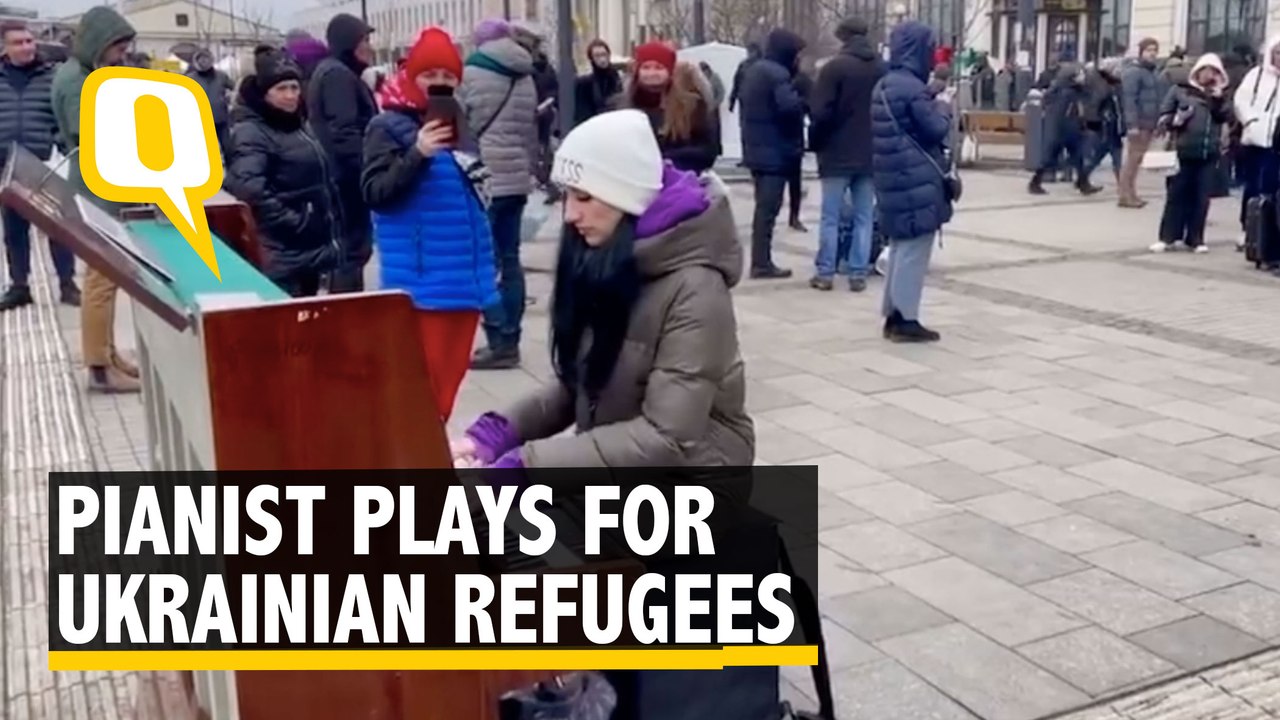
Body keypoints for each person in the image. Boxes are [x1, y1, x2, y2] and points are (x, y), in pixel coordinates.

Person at [450, 109, 753, 470]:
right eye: (568, 196)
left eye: (584, 197)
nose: (569, 215)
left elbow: (667, 437)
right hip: (625, 464)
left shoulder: (696, 288)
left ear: (626, 198)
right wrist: (495, 434)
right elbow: (578, 382)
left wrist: (526, 467)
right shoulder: (608, 254)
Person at [361, 27, 499, 423]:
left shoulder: (462, 125)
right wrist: (417, 153)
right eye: (430, 75)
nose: (439, 84)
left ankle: (428, 458)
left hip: (466, 283)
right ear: (411, 75)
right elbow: (376, 192)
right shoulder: (386, 127)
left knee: (445, 392)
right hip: (423, 284)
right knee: (420, 393)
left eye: (448, 77)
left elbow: (474, 195)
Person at [51, 5, 139, 393]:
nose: (121, 55)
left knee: (109, 275)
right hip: (95, 189)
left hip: (100, 186)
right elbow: (88, 137)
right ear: (99, 43)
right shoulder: (77, 81)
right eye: (117, 48)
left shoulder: (86, 74)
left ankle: (108, 352)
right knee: (102, 278)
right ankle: (100, 367)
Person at [224, 49, 341, 298]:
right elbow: (249, 189)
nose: (290, 96)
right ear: (265, 93)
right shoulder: (252, 131)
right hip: (281, 254)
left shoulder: (297, 125)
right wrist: (296, 221)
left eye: (294, 87)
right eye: (281, 89)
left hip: (307, 250)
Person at [458, 18, 539, 371]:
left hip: (485, 179)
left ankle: (498, 340)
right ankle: (513, 337)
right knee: (510, 259)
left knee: (483, 262)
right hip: (517, 176)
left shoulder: (472, 72)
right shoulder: (525, 73)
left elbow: (465, 124)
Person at [870, 20, 954, 343]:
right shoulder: (911, 87)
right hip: (915, 176)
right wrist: (944, 108)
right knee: (915, 247)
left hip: (893, 175)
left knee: (901, 245)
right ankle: (906, 318)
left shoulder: (886, 84)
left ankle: (893, 313)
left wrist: (928, 95)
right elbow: (934, 128)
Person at [0, 19, 79, 312]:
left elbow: (60, 118)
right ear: (5, 47)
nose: (26, 47)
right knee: (14, 231)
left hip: (44, 165)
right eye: (18, 43)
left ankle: (68, 284)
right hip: (7, 167)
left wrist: (58, 144)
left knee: (59, 227)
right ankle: (19, 287)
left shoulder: (51, 77)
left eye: (29, 41)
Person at [808, 16, 884, 293]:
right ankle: (858, 272)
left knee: (831, 215)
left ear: (842, 37)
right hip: (870, 151)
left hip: (836, 152)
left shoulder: (834, 68)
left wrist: (816, 142)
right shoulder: (880, 68)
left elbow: (820, 112)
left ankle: (826, 272)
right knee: (864, 215)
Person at [308, 13, 378, 293]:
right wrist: (367, 172)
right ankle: (348, 314)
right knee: (351, 251)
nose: (369, 46)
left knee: (350, 251)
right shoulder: (338, 75)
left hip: (339, 176)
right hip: (345, 180)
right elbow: (344, 131)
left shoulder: (335, 71)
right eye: (364, 40)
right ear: (348, 43)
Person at [739, 29, 807, 279]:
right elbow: (789, 108)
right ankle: (761, 262)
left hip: (756, 147)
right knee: (768, 208)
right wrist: (802, 100)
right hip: (774, 151)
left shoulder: (755, 70)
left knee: (763, 207)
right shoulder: (778, 74)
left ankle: (761, 259)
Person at [1152, 54, 1230, 254]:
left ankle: (1195, 238)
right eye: (1205, 70)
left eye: (1213, 71)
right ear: (1197, 71)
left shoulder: (1220, 95)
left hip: (1208, 152)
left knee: (1201, 197)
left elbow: (1224, 117)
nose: (1208, 75)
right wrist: (1176, 119)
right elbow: (1164, 115)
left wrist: (1218, 99)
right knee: (1176, 195)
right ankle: (1168, 237)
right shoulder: (1180, 90)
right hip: (1183, 150)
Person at [617, 42, 721, 175]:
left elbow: (708, 151)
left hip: (679, 182)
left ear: (670, 70)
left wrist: (664, 159)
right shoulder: (621, 106)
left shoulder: (692, 105)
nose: (651, 73)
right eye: (646, 67)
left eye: (658, 67)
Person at [1233, 36, 1280, 252]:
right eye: (1277, 52)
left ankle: (1268, 234)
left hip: (1277, 142)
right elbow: (1241, 100)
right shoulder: (1257, 75)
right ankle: (1248, 230)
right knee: (1253, 186)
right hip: (1256, 139)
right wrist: (1251, 121)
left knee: (1272, 190)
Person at [1029, 59, 1102, 195]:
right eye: (1080, 74)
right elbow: (1059, 114)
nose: (1083, 76)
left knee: (1078, 157)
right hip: (1062, 130)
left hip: (1072, 129)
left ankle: (1083, 183)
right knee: (1049, 158)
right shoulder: (1065, 93)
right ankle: (1035, 182)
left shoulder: (1076, 90)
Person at [1119, 38, 1162, 207]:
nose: (1152, 53)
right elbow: (1129, 100)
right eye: (1149, 50)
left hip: (1149, 122)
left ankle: (1131, 193)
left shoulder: (1151, 72)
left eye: (1155, 50)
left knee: (1136, 160)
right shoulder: (1134, 72)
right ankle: (1125, 195)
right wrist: (1132, 125)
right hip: (1139, 123)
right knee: (1132, 160)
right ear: (1141, 52)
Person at [1083, 57, 1126, 187]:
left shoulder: (1116, 85)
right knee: (1106, 154)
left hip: (1113, 125)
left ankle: (1122, 185)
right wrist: (1095, 121)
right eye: (1117, 68)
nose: (1120, 70)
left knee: (1108, 155)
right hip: (1106, 125)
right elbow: (1095, 104)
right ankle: (1083, 177)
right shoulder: (1103, 85)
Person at [186, 48, 233, 153]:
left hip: (221, 118)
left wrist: (229, 98)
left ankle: (232, 167)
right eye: (201, 59)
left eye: (206, 59)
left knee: (228, 147)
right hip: (201, 120)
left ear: (211, 60)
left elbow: (234, 88)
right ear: (196, 62)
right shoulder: (191, 78)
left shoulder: (221, 76)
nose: (204, 62)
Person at [573, 39, 621, 127]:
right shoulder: (585, 83)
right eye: (597, 56)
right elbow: (582, 112)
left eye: (604, 54)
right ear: (591, 58)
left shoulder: (617, 78)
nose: (602, 59)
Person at [728, 42, 761, 113]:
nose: (750, 54)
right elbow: (736, 83)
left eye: (752, 51)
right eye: (749, 51)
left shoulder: (762, 65)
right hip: (744, 98)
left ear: (757, 52)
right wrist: (732, 101)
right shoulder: (743, 65)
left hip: (758, 100)